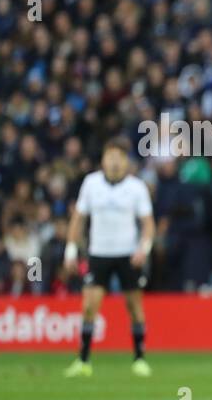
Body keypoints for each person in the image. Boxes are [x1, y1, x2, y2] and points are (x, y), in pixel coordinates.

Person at [63, 138, 156, 378]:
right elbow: (78, 219)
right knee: (88, 306)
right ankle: (83, 361)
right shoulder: (91, 184)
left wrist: (142, 249)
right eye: (110, 156)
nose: (114, 161)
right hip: (98, 253)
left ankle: (139, 359)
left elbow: (148, 225)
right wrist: (71, 251)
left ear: (126, 161)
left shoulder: (137, 187)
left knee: (134, 306)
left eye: (119, 157)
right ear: (103, 160)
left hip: (128, 255)